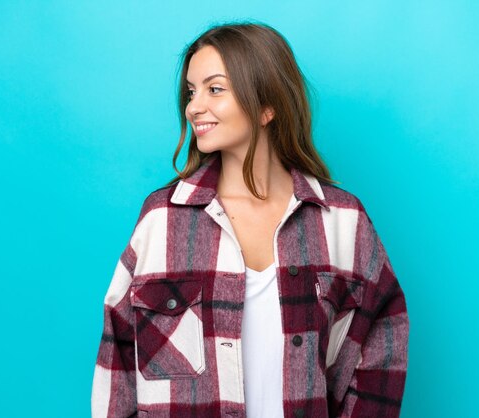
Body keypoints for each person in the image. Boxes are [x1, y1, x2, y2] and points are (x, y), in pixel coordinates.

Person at [91, 22, 409, 418]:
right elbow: (118, 360)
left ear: (266, 105)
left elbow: (381, 341)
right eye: (191, 92)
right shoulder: (163, 219)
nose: (193, 106)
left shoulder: (343, 221)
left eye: (215, 89)